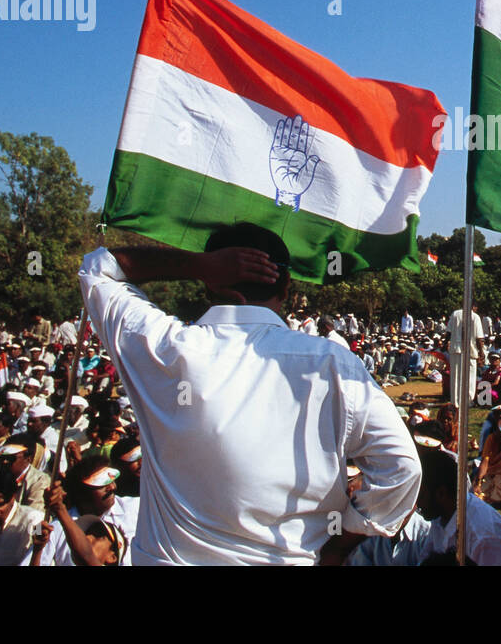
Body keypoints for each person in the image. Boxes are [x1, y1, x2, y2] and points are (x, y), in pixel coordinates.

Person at [77, 222, 421, 565]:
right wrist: (339, 544)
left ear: (209, 285)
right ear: (286, 286)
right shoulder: (332, 364)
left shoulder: (164, 349)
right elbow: (402, 468)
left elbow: (99, 268)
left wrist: (197, 265)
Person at [417, 447, 501, 566]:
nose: (417, 502)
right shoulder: (441, 516)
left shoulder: (484, 537)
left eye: (420, 495)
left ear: (441, 493)